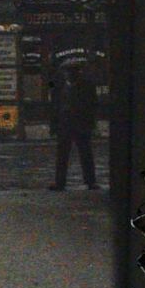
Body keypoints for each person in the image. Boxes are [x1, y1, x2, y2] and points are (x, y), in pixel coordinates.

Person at [50, 56, 98, 191]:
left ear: (78, 73)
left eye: (73, 71)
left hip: (81, 125)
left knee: (86, 154)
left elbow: (92, 106)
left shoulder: (87, 86)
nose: (70, 74)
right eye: (68, 71)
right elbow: (54, 107)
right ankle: (60, 182)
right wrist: (53, 126)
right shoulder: (58, 87)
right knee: (62, 155)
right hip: (64, 125)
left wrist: (91, 124)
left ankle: (90, 181)